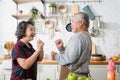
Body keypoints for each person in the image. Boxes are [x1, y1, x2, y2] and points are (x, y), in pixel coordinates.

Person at [51, 12, 92, 80]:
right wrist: (61, 49)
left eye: (73, 21)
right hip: (82, 77)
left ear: (81, 22)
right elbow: (75, 57)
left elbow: (68, 59)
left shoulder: (77, 37)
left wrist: (55, 56)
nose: (71, 25)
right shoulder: (87, 36)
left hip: (73, 76)